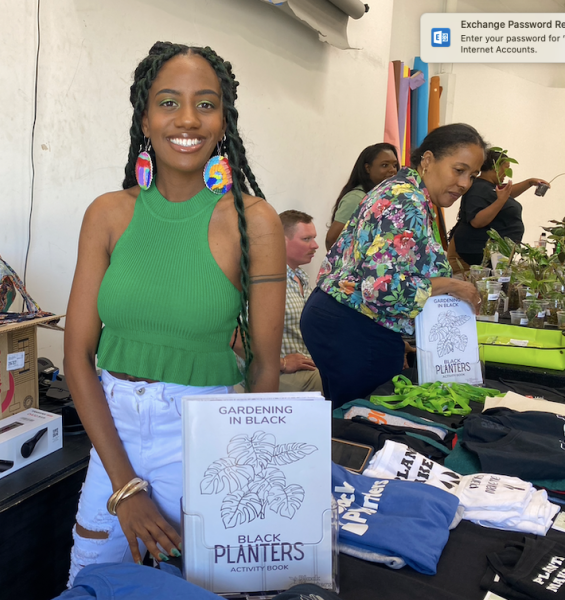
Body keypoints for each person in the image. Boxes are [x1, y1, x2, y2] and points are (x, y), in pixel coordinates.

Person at [63, 42, 286, 584]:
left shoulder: (254, 221)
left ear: (224, 121)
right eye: (168, 102)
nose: (187, 119)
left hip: (206, 433)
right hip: (113, 427)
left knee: (202, 588)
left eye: (206, 104)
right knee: (90, 582)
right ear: (145, 117)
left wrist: (248, 476)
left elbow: (264, 367)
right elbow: (77, 357)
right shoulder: (108, 215)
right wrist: (125, 487)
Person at [300, 123, 484, 408]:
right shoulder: (405, 200)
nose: (464, 184)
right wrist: (452, 285)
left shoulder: (406, 193)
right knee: (360, 428)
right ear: (427, 161)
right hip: (354, 326)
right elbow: (383, 287)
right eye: (458, 170)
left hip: (346, 320)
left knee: (348, 423)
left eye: (472, 176)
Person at [450, 148, 549, 267]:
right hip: (478, 253)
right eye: (506, 168)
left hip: (494, 255)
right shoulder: (477, 188)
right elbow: (477, 221)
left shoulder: (489, 187)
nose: (507, 173)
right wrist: (501, 201)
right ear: (496, 167)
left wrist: (529, 183)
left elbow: (508, 192)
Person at [278, 210, 322, 393]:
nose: (315, 245)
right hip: (280, 374)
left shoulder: (302, 278)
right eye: (306, 239)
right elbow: (240, 335)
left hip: (308, 367)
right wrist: (281, 363)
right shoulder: (265, 282)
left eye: (314, 238)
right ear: (281, 241)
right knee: (337, 379)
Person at [324, 143, 400, 250]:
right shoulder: (356, 198)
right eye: (384, 165)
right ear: (367, 168)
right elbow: (332, 240)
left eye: (394, 165)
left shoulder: (383, 197)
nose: (392, 170)